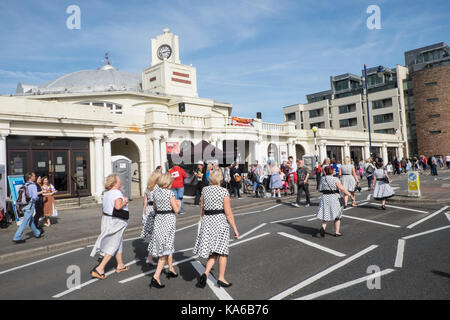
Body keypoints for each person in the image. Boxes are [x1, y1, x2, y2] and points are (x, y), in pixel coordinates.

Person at [194, 169, 239, 288]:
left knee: (214, 251)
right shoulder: (223, 191)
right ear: (220, 179)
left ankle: (205, 273)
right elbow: (228, 213)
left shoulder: (205, 190)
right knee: (222, 252)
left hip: (208, 221)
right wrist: (235, 228)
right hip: (219, 221)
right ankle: (221, 278)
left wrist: (204, 221)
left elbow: (202, 207)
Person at [90, 174, 130, 280]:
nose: (121, 181)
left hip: (107, 219)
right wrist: (125, 201)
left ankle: (120, 265)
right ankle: (100, 268)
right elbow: (117, 206)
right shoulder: (117, 192)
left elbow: (103, 209)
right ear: (115, 182)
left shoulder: (106, 193)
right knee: (113, 244)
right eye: (119, 179)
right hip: (116, 220)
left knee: (118, 241)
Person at [149, 173, 181, 289]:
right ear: (168, 182)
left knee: (164, 246)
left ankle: (170, 269)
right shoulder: (170, 193)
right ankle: (156, 276)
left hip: (159, 220)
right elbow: (176, 210)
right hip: (168, 220)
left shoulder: (156, 193)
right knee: (165, 250)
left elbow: (154, 208)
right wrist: (178, 203)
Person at [317, 166, 354, 237]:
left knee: (327, 213)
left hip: (325, 197)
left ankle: (323, 227)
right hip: (334, 197)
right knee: (337, 215)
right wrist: (350, 194)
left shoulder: (322, 179)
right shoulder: (335, 179)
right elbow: (341, 188)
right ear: (332, 171)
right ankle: (337, 232)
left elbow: (320, 189)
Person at [13, 172, 43, 244]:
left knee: (30, 221)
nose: (35, 177)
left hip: (23, 205)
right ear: (30, 177)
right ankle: (17, 237)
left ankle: (37, 233)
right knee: (25, 221)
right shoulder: (33, 185)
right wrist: (36, 200)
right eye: (34, 176)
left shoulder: (25, 184)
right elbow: (35, 197)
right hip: (30, 205)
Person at [141, 170, 162, 265]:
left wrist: (144, 213)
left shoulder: (148, 188)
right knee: (156, 233)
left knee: (154, 233)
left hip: (148, 209)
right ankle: (151, 256)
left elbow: (144, 202)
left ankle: (155, 253)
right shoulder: (158, 188)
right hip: (155, 210)